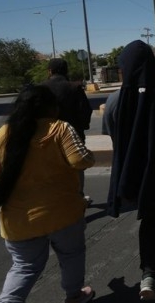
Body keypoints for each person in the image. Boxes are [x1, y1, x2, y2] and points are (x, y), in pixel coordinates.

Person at [0, 85, 95, 303]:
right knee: (71, 255)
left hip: (18, 220)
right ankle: (74, 295)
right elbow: (81, 160)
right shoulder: (61, 128)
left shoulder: (3, 133)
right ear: (51, 107)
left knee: (24, 267)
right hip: (62, 213)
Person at [102, 41, 155, 301]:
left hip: (139, 178)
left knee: (148, 225)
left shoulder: (114, 101)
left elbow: (115, 142)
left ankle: (148, 277)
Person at [41, 58, 92, 203]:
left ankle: (56, 199)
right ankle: (78, 197)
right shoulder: (74, 87)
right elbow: (85, 111)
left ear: (50, 71)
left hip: (48, 136)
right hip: (74, 135)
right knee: (77, 167)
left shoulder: (41, 88)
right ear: (66, 71)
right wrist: (82, 127)